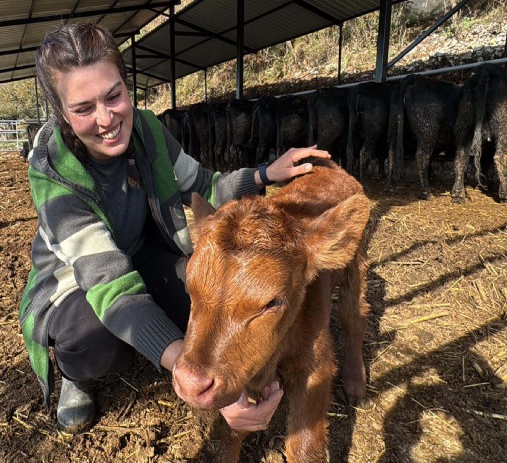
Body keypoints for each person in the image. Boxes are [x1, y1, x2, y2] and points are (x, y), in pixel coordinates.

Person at [19, 22, 331, 435]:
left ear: (127, 87)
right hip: (78, 282)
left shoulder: (148, 130)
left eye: (114, 96)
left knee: (211, 295)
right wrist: (191, 369)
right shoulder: (54, 176)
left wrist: (264, 173)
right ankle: (77, 375)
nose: (106, 118)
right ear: (61, 112)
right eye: (83, 108)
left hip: (144, 252)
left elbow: (203, 185)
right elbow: (109, 284)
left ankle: (164, 341)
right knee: (95, 339)